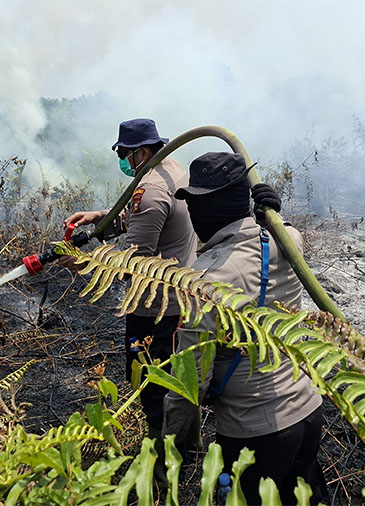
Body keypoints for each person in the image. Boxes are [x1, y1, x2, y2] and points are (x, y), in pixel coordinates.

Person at [162, 152, 328, 505]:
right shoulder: (288, 240)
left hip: (257, 432)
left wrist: (167, 448)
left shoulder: (206, 281)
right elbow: (271, 244)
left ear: (204, 210)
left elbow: (189, 383)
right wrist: (271, 218)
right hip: (309, 411)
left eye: (193, 207)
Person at [61, 118, 198, 442]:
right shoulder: (172, 167)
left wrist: (86, 263)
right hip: (184, 295)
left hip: (156, 306)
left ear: (142, 151)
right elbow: (149, 219)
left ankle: (160, 464)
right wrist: (100, 218)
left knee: (151, 383)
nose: (122, 160)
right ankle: (190, 445)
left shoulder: (148, 189)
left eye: (124, 153)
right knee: (182, 377)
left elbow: (133, 263)